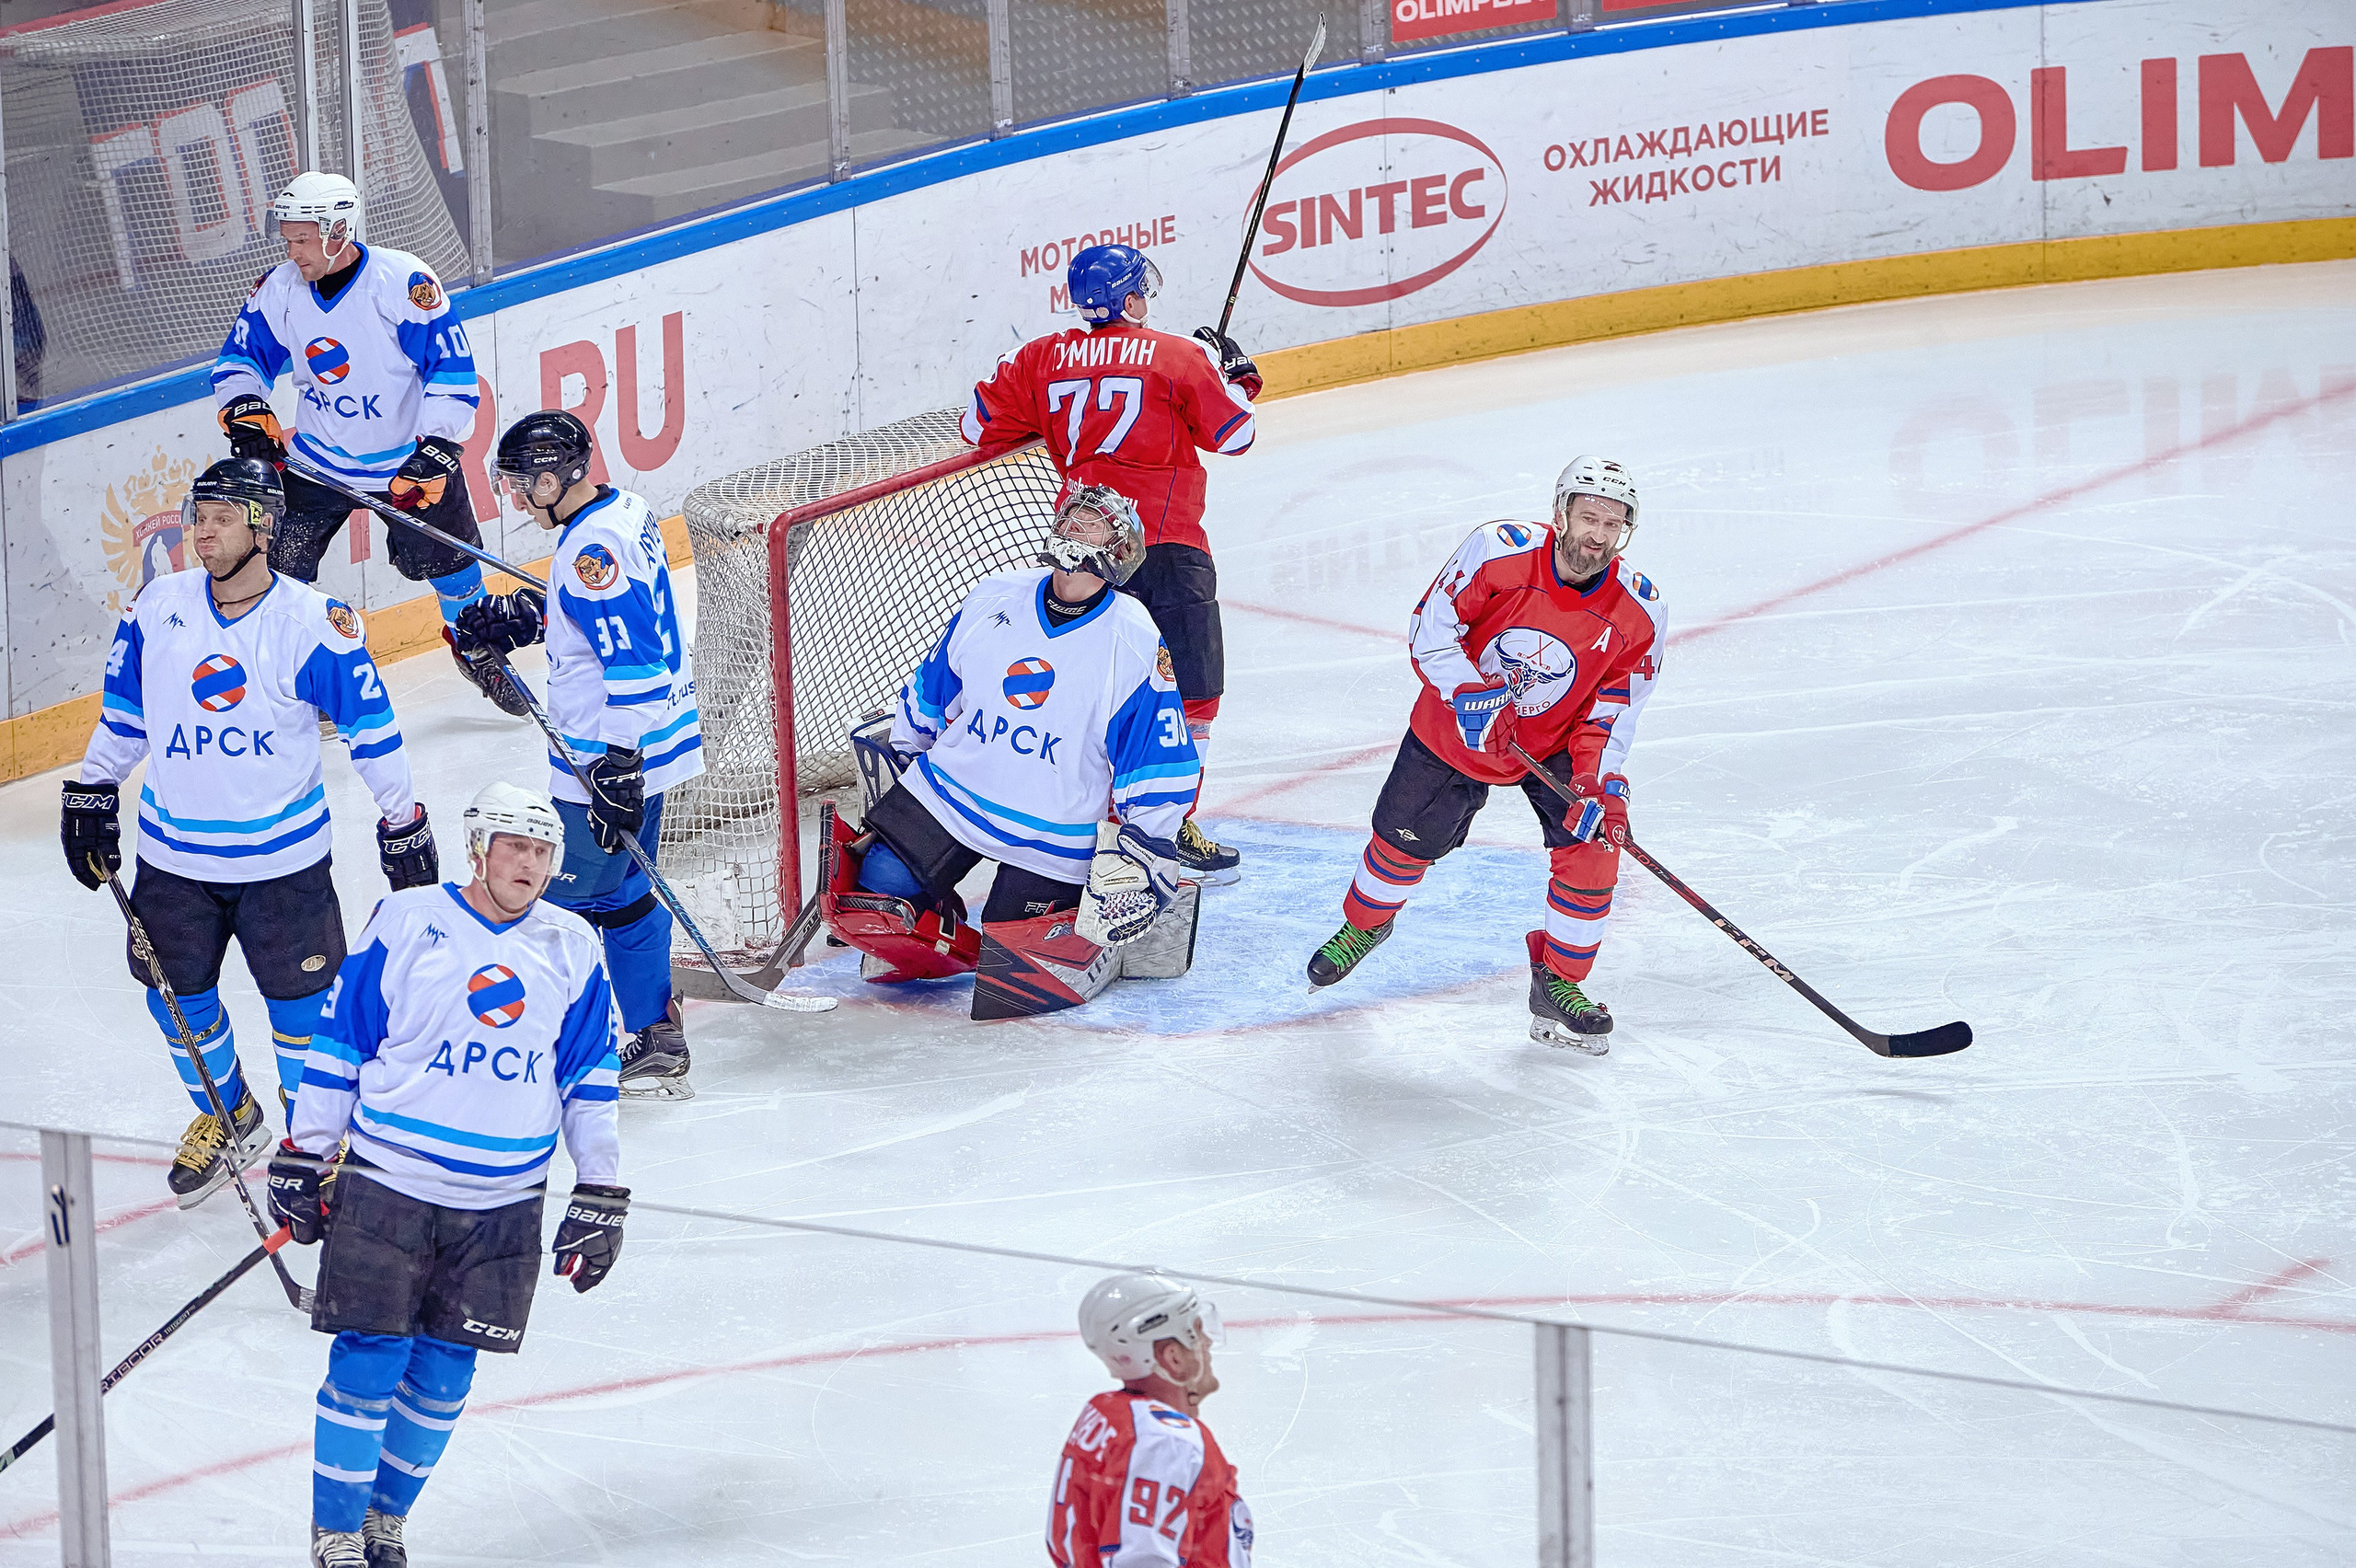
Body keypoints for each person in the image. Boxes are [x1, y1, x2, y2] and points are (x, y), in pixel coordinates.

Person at [59, 457, 438, 1206]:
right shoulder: (158, 607)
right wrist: (93, 789)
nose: (203, 533)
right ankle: (228, 1110)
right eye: (198, 517)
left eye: (223, 518)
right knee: (175, 1000)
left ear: (264, 527)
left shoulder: (314, 624)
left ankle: (314, 1142)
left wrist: (403, 820)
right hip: (174, 860)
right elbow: (126, 718)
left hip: (283, 867)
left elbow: (372, 730)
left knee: (302, 1017)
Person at [269, 780, 627, 1568]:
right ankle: (336, 1533)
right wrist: (306, 1150)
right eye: (515, 847)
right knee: (369, 1358)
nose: (529, 865)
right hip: (388, 1184)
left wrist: (600, 1189)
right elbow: (342, 1039)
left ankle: (383, 1524)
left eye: (542, 851)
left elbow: (590, 1077)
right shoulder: (408, 919)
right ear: (478, 850)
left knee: (444, 1375)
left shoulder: (571, 946)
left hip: (503, 1203)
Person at [1306, 457, 1666, 1055]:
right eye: (1589, 518)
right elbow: (1431, 629)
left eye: (1613, 524)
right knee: (1400, 843)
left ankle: (1559, 981)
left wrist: (1599, 783)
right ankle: (1364, 927)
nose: (1598, 535)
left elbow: (1614, 709)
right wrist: (1473, 693)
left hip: (1555, 743)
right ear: (1560, 514)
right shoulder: (1497, 551)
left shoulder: (1639, 611)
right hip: (1457, 728)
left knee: (1593, 845)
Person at [823, 484, 1201, 1019]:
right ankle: (942, 924)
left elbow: (1155, 756)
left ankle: (1096, 945)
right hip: (952, 793)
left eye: (1095, 524)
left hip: (1055, 830)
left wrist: (1147, 846)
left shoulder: (1133, 636)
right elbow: (934, 686)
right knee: (875, 899)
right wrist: (906, 753)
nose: (1077, 527)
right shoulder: (995, 595)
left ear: (1119, 551)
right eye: (1072, 517)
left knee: (1017, 969)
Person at [960, 242, 1258, 885]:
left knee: (1092, 691)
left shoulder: (1038, 357)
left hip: (1079, 552)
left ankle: (1078, 826)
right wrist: (1233, 375)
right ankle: (1162, 835)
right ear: (1130, 299)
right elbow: (1237, 433)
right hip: (1166, 548)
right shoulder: (1179, 356)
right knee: (1191, 695)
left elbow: (976, 427)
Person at [209, 169, 526, 718]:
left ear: (339, 231)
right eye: (288, 239)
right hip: (316, 462)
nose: (292, 251)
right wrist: (245, 408)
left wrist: (437, 447)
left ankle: (476, 645)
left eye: (302, 239)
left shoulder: (402, 282)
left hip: (405, 462)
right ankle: (294, 674)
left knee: (453, 567)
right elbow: (241, 360)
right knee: (279, 569)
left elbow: (450, 372)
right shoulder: (279, 289)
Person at [451, 410, 702, 1096]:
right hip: (646, 745)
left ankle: (541, 1049)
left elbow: (637, 663)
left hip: (610, 755)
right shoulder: (621, 511)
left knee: (550, 903)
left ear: (553, 479)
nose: (514, 497)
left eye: (520, 483)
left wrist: (619, 766)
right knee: (623, 893)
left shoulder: (595, 550)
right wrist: (533, 617)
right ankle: (655, 1032)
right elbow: (603, 619)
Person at [1048, 1272, 1253, 1567]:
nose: (1207, 1341)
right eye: (1196, 1332)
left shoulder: (1106, 1414)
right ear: (1173, 1358)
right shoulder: (1164, 1442)